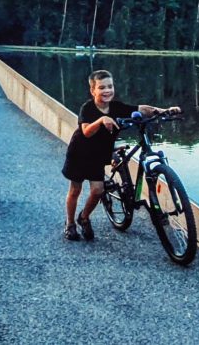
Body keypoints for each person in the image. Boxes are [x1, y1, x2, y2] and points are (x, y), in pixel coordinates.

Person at [61, 69, 180, 241]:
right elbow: (86, 131)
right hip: (79, 153)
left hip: (97, 156)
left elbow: (142, 109)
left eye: (110, 86)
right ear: (93, 90)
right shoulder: (87, 108)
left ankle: (84, 217)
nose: (107, 90)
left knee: (97, 190)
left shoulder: (116, 107)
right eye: (101, 87)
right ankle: (70, 224)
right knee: (75, 190)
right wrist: (102, 120)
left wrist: (163, 111)